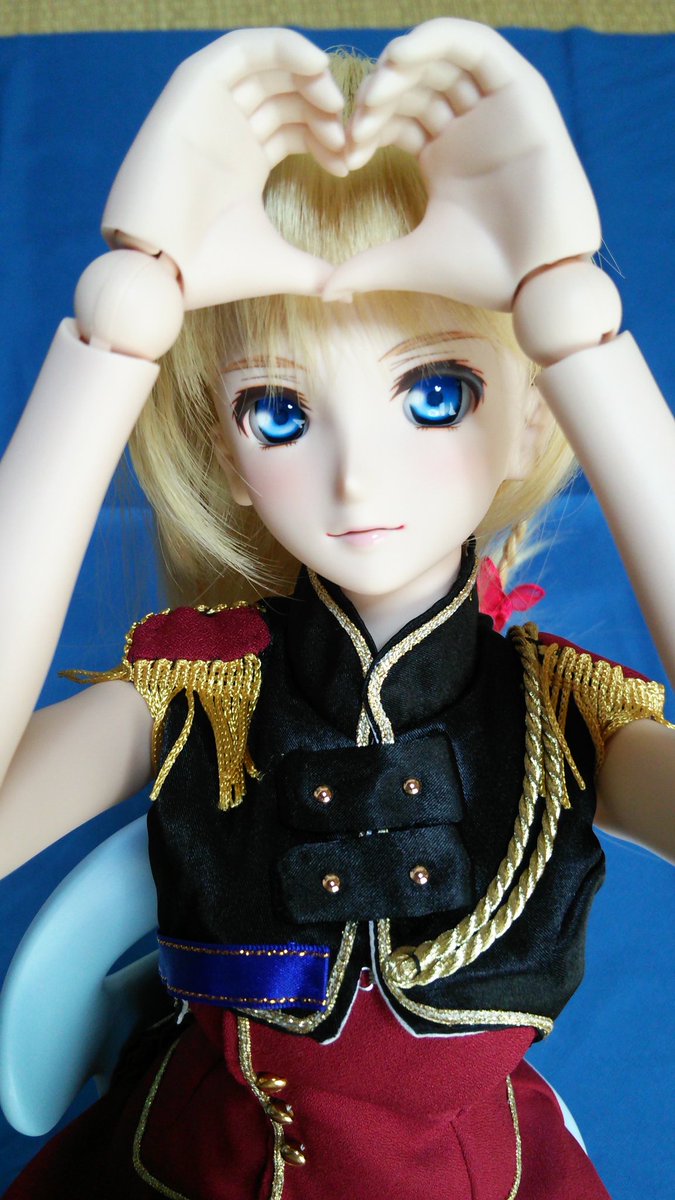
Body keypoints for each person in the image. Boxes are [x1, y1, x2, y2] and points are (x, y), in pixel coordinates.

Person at [0, 18, 673, 1200]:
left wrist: (583, 341)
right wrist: (112, 339)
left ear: (531, 415)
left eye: (438, 392)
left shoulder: (560, 718)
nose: (358, 478)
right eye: (278, 412)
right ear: (227, 446)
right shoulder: (205, 693)